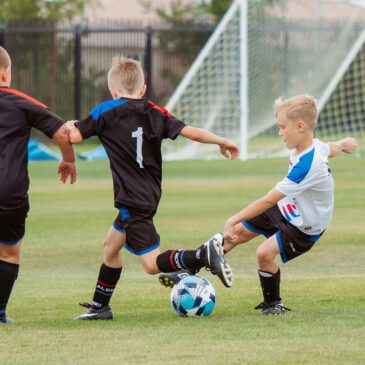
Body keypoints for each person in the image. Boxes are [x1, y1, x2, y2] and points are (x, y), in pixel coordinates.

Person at [66, 56, 239, 321]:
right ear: (143, 89)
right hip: (148, 194)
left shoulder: (105, 111)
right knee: (111, 247)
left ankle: (201, 255)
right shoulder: (156, 112)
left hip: (131, 199)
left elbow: (75, 136)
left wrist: (68, 125)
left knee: (150, 264)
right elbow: (190, 131)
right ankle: (100, 307)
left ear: (113, 91)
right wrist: (222, 141)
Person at [161, 94, 357, 315]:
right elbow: (329, 148)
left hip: (304, 226)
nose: (280, 132)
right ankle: (189, 269)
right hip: (287, 207)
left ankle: (273, 304)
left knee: (264, 253)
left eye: (283, 127)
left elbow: (268, 200)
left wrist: (233, 218)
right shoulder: (311, 146)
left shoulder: (308, 165)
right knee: (235, 233)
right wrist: (343, 144)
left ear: (300, 126)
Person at [0, 46, 77, 324]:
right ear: (6, 72)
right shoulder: (21, 102)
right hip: (10, 192)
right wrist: (68, 160)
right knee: (8, 250)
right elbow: (62, 131)